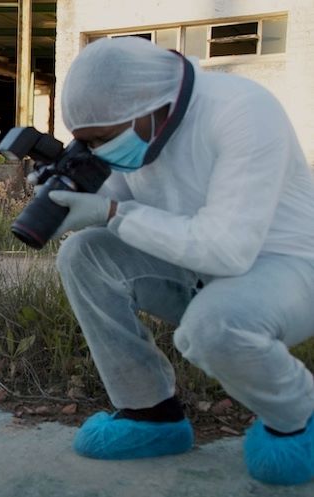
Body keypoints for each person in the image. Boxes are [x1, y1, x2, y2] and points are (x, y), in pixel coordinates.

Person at [46, 37, 314, 486]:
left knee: (213, 327)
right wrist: (74, 197)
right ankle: (150, 414)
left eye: (102, 140)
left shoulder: (242, 110)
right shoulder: (145, 129)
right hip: (197, 268)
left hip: (287, 270)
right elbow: (122, 201)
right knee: (84, 253)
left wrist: (113, 214)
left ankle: (299, 418)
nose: (99, 152)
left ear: (147, 109)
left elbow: (229, 249)